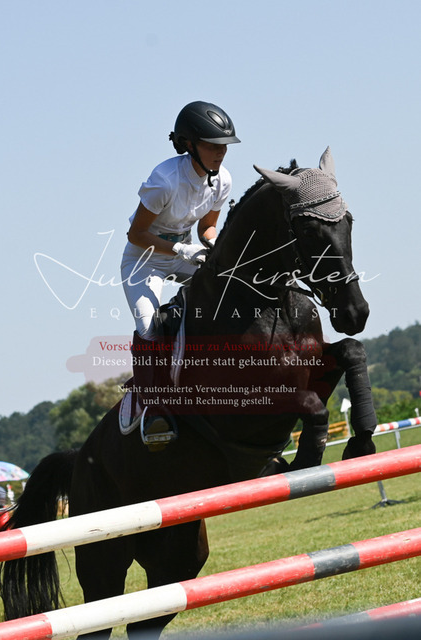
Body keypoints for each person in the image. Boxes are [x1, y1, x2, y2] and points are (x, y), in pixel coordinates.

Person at [121, 101, 240, 446]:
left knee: (231, 288)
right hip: (144, 260)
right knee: (149, 326)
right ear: (190, 144)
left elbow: (207, 228)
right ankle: (151, 408)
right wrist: (179, 249)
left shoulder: (222, 180)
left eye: (224, 146)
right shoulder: (165, 181)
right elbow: (136, 235)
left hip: (185, 252)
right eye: (212, 145)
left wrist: (214, 247)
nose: (221, 152)